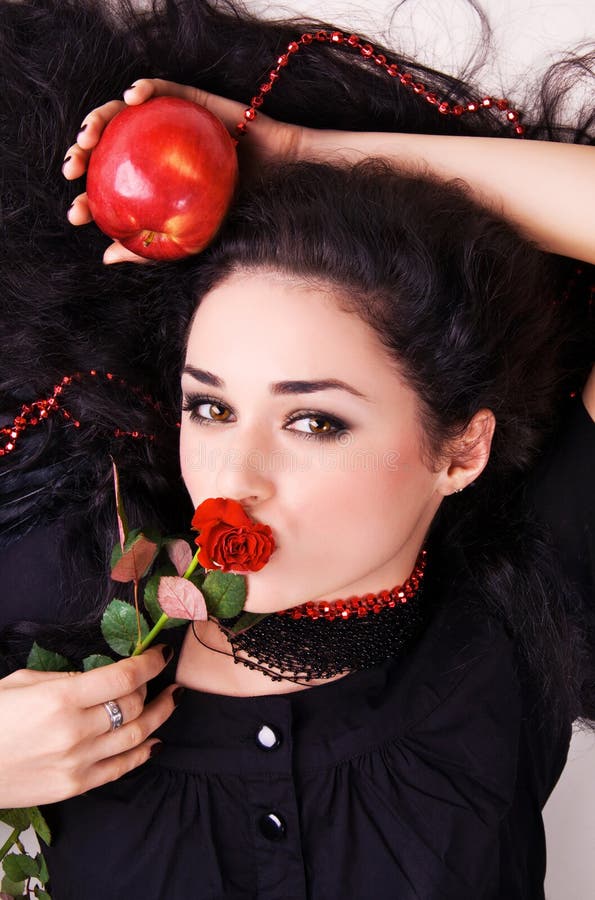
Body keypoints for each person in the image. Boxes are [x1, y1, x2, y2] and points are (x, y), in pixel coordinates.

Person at [0, 0, 593, 897]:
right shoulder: (64, 653)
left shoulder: (519, 618)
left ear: (459, 451)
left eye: (314, 421)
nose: (235, 476)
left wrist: (304, 156)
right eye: (209, 409)